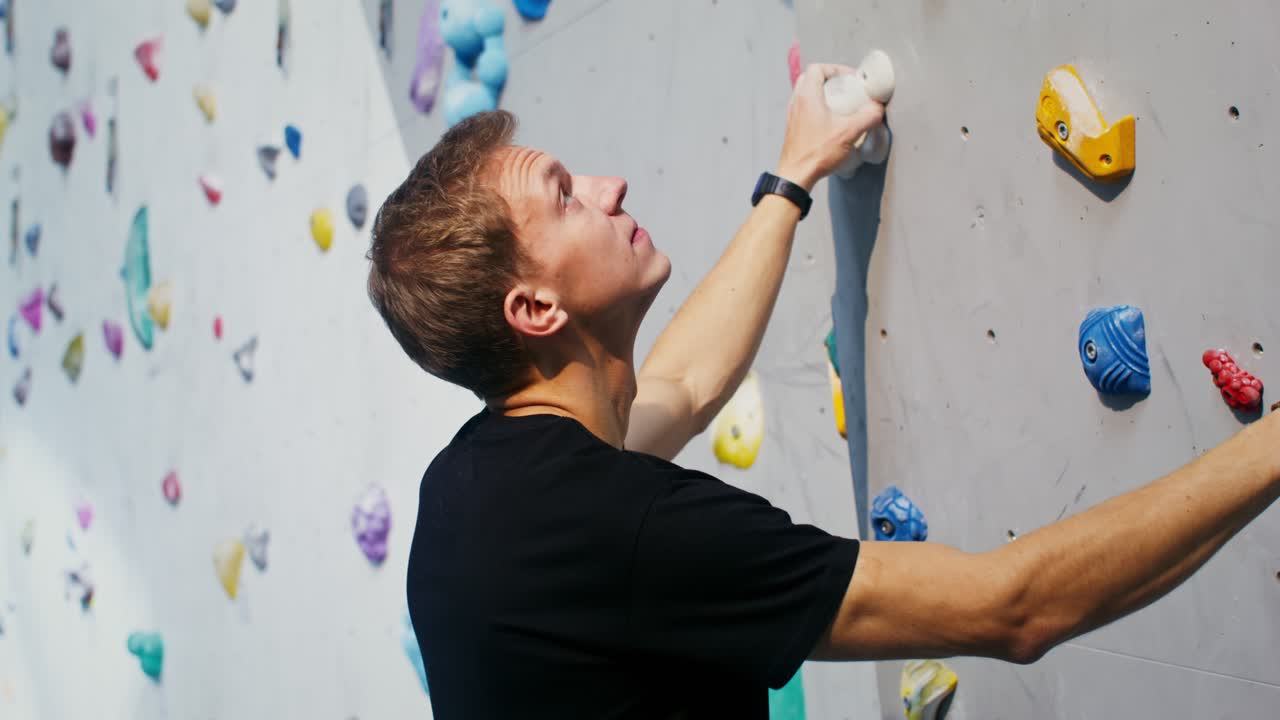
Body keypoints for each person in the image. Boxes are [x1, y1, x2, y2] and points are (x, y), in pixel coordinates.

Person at [366, 64, 1280, 719]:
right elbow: (1015, 605)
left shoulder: (475, 488)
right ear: (533, 307)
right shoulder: (631, 531)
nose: (609, 187)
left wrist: (792, 176)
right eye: (565, 196)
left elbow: (683, 385)